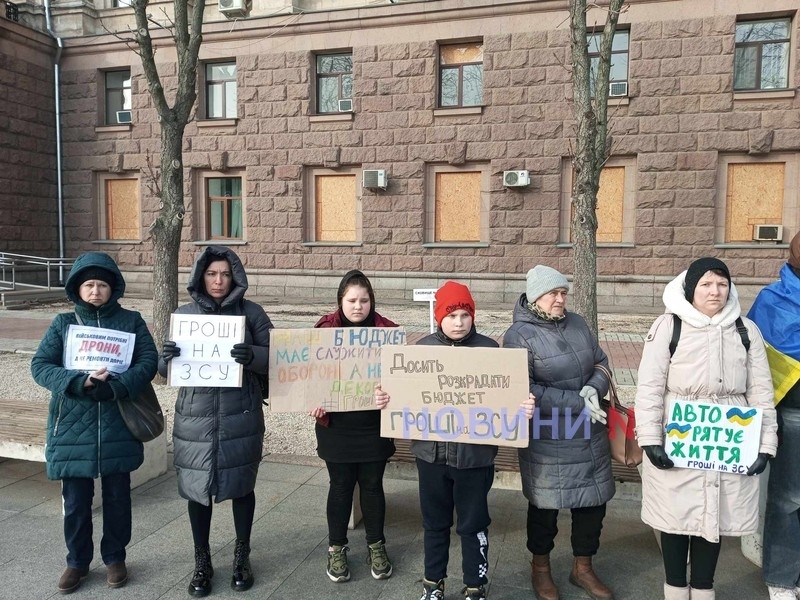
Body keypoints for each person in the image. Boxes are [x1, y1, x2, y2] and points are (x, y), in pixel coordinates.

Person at [376, 281, 536, 600]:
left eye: (465, 314)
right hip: (431, 457)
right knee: (434, 523)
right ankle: (433, 584)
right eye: (451, 315)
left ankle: (475, 584)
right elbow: (402, 396)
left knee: (473, 524)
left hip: (475, 459)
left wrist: (523, 407)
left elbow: (508, 397)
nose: (459, 322)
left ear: (473, 316)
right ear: (439, 317)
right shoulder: (420, 351)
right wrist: (386, 398)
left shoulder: (491, 351)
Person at [635, 257, 778, 600]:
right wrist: (651, 438)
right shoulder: (669, 326)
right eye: (706, 284)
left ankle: (703, 589)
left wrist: (765, 444)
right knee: (675, 516)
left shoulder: (746, 330)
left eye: (722, 284)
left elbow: (761, 390)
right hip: (679, 433)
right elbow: (650, 385)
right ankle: (674, 589)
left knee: (713, 518)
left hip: (728, 436)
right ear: (691, 288)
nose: (715, 291)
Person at [31, 252, 158, 594]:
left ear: (113, 288)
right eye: (89, 284)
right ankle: (77, 561)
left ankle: (115, 556)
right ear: (78, 288)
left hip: (118, 422)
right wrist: (79, 382)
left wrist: (119, 385)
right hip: (72, 425)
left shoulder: (131, 321)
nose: (96, 291)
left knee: (118, 498)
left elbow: (148, 361)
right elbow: (40, 366)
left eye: (102, 284)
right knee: (75, 502)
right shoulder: (63, 324)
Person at [158, 246, 273, 597]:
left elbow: (279, 357)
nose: (219, 280)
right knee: (197, 491)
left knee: (242, 486)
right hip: (195, 418)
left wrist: (253, 355)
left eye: (225, 274)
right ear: (200, 277)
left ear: (234, 275)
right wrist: (167, 358)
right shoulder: (184, 314)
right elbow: (165, 371)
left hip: (241, 415)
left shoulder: (252, 313)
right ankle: (202, 559)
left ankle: (242, 554)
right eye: (212, 274)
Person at [502, 265, 615, 600]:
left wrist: (595, 387)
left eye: (563, 293)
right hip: (548, 436)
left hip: (588, 433)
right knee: (545, 506)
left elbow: (601, 362)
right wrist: (579, 401)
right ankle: (541, 568)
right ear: (537, 296)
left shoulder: (578, 323)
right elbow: (524, 387)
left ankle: (583, 567)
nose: (560, 299)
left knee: (592, 505)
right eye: (553, 293)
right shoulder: (518, 335)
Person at [309, 269, 398, 583]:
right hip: (336, 427)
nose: (358, 306)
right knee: (340, 486)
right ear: (340, 301)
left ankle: (376, 544)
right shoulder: (323, 330)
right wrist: (313, 399)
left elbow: (402, 381)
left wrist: (391, 392)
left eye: (364, 300)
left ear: (371, 301)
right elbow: (308, 376)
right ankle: (336, 547)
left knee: (373, 486)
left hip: (374, 425)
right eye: (352, 300)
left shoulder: (387, 332)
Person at [747, 233, 800, 600]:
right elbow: (752, 360)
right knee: (789, 498)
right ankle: (782, 579)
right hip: (793, 413)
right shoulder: (772, 300)